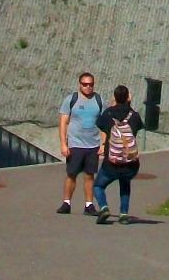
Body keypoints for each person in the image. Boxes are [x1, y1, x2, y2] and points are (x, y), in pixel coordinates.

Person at [93, 84, 145, 225]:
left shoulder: (108, 114)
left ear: (114, 97)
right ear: (128, 97)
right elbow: (138, 127)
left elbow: (101, 125)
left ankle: (104, 208)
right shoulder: (134, 116)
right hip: (130, 163)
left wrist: (112, 106)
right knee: (125, 184)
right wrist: (128, 105)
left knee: (98, 186)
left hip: (112, 163)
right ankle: (124, 214)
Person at [57, 72, 103, 216]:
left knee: (89, 175)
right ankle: (66, 203)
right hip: (75, 144)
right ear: (79, 84)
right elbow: (63, 123)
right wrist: (64, 144)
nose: (88, 87)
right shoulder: (71, 99)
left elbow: (104, 124)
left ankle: (89, 205)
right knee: (72, 174)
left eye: (90, 84)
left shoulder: (99, 100)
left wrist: (103, 144)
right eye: (85, 84)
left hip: (92, 145)